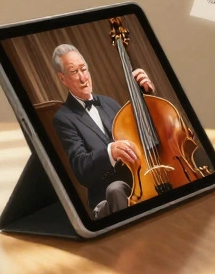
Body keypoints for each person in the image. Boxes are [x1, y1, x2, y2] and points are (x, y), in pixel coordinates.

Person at [49, 44, 156, 219]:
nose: (83, 77)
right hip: (107, 196)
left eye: (84, 69)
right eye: (74, 72)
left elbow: (143, 137)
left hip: (138, 182)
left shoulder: (110, 103)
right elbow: (81, 169)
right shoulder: (63, 119)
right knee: (116, 190)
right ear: (62, 79)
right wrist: (110, 153)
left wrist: (146, 98)